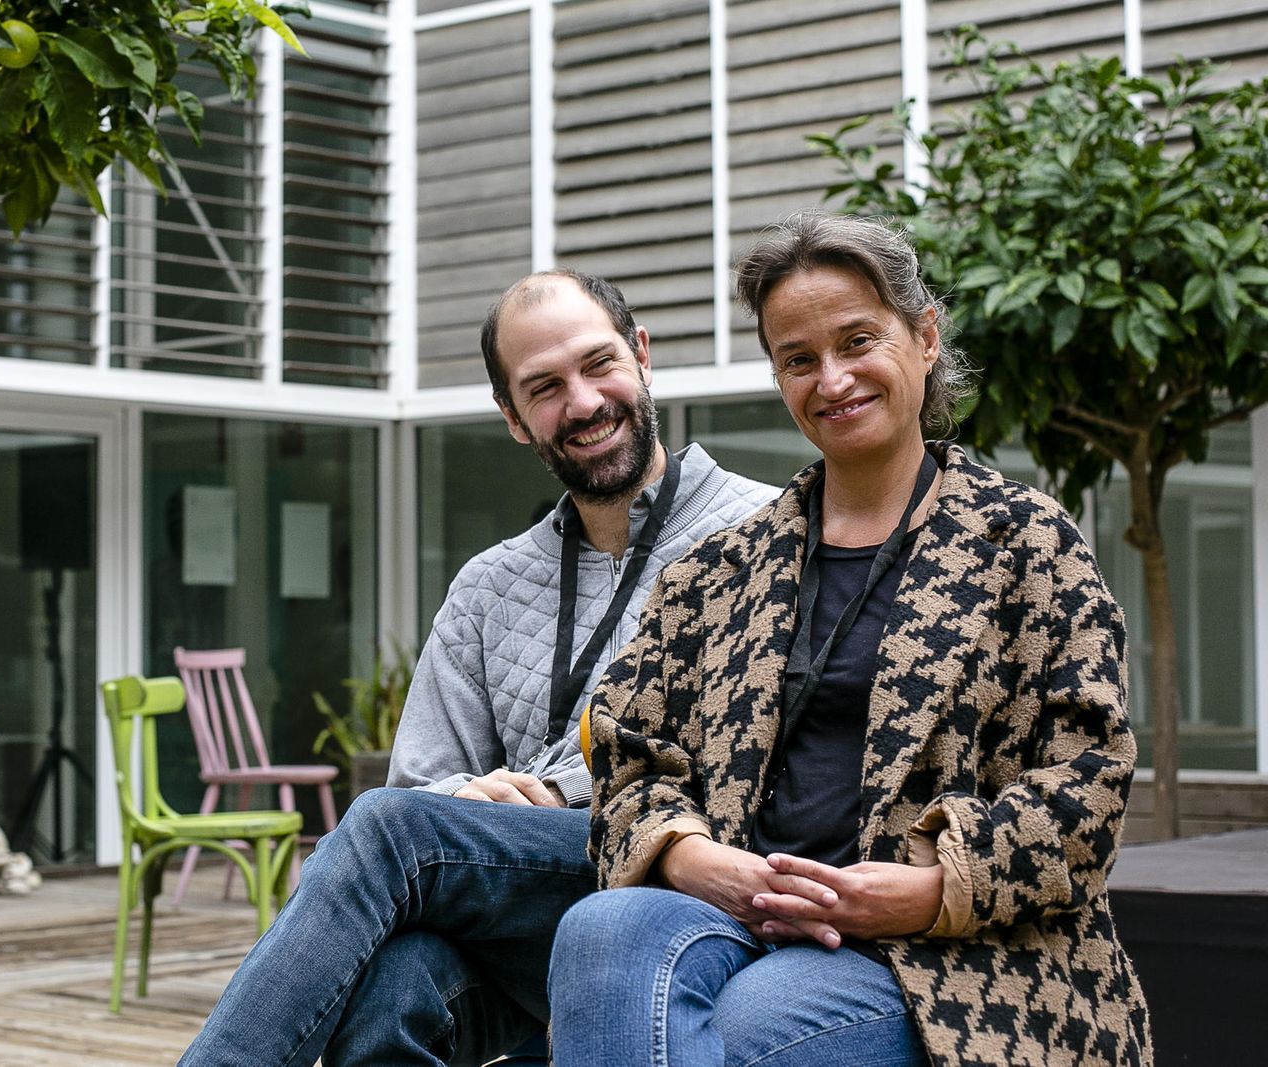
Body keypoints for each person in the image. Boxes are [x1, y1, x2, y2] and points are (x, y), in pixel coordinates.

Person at [549, 213, 1152, 1067]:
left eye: (857, 340)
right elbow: (625, 748)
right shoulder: (720, 567)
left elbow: (1089, 790)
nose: (831, 379)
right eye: (799, 359)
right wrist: (688, 856)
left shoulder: (1026, 543)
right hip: (740, 909)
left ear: (926, 336)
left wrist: (926, 891)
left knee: (748, 1028)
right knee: (602, 930)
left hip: (954, 952)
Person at [176, 269, 777, 1067]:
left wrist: (551, 789)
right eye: (545, 387)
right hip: (525, 907)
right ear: (514, 419)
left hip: (683, 881)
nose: (585, 401)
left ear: (641, 355)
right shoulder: (487, 586)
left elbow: (735, 749)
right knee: (393, 983)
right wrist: (469, 796)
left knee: (388, 833)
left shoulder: (766, 533)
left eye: (599, 364)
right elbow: (420, 781)